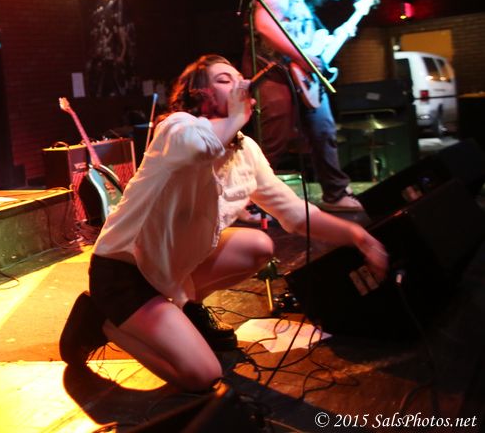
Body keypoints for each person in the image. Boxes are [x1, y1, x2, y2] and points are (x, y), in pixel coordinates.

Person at [59, 55, 389, 391]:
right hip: (124, 272)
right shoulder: (176, 127)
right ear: (199, 93)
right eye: (223, 80)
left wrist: (357, 236)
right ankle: (106, 323)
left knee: (258, 246)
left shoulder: (245, 150)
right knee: (202, 375)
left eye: (238, 77)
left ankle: (187, 308)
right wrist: (235, 116)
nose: (240, 84)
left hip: (170, 270)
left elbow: (295, 214)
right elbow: (198, 149)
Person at [245, 0, 372, 212]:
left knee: (323, 131)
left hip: (303, 77)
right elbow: (265, 25)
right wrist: (303, 58)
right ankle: (247, 203)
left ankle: (335, 193)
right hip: (275, 73)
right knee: (273, 141)